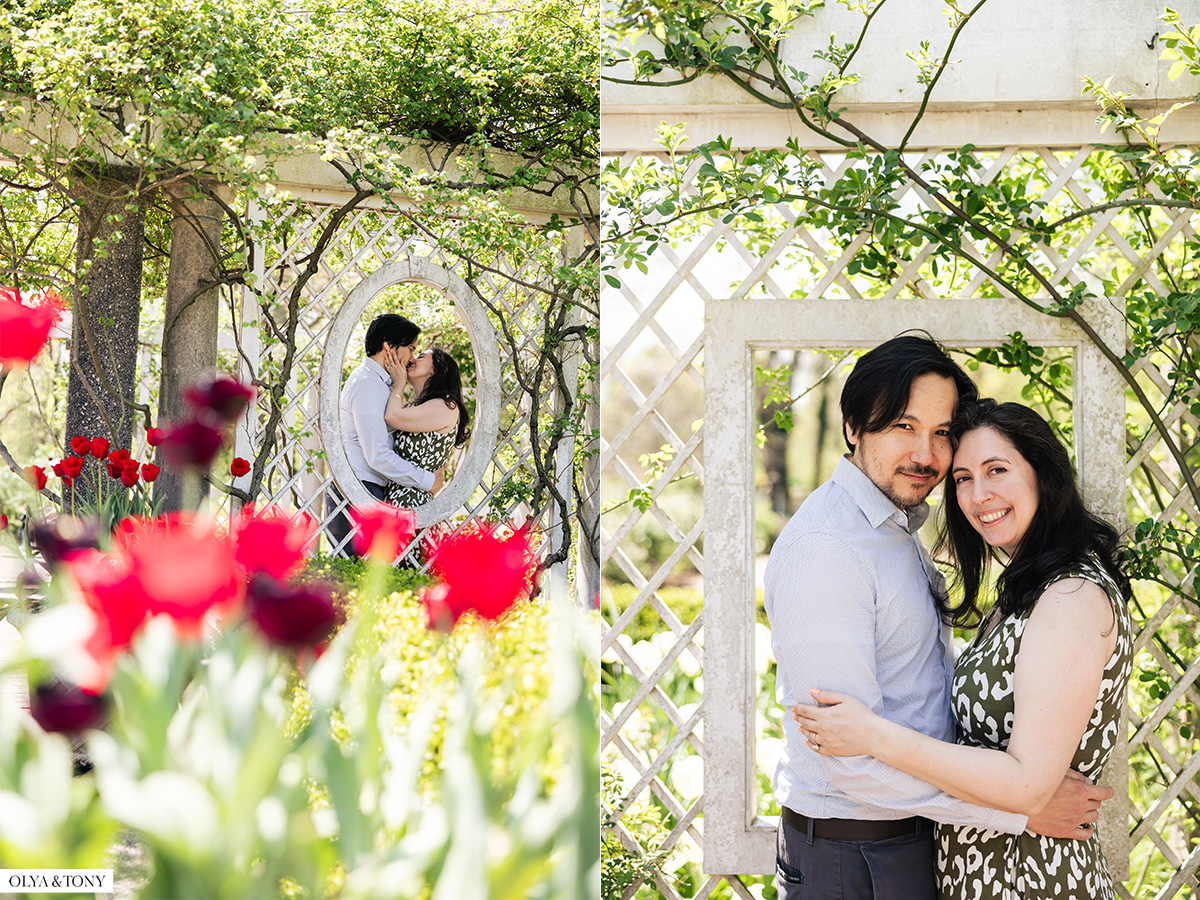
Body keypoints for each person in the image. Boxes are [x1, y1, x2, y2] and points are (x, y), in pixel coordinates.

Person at [763, 334, 1111, 900]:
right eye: (904, 426)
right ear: (854, 426)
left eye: (942, 432)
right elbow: (846, 758)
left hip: (910, 842)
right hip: (855, 856)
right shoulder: (827, 549)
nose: (926, 454)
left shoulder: (894, 527)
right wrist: (1019, 811)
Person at [324, 314, 442, 556]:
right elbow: (377, 455)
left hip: (366, 491)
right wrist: (427, 480)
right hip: (357, 492)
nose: (411, 358)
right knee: (355, 580)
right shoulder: (367, 384)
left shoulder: (378, 384)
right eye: (410, 348)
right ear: (388, 345)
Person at [378, 345, 471, 508]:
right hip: (392, 505)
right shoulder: (413, 407)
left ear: (435, 370)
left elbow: (391, 416)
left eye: (420, 357)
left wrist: (399, 383)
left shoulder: (445, 406)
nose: (412, 359)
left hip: (415, 507)